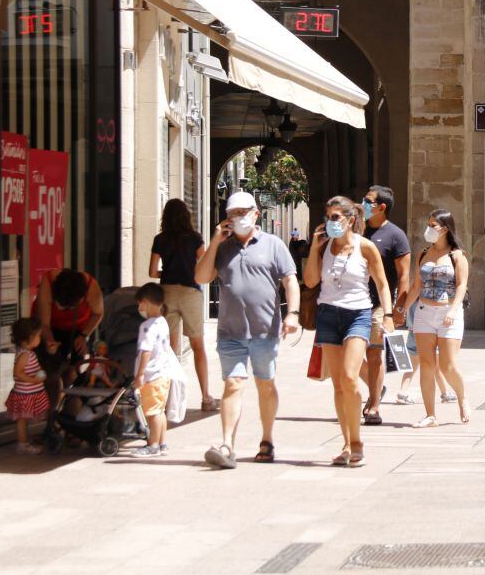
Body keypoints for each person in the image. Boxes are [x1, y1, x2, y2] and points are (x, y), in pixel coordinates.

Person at [194, 191, 300, 469]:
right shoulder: (222, 248)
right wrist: (215, 241)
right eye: (233, 214)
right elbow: (201, 277)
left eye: (243, 213)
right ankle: (227, 444)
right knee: (233, 384)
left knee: (265, 384)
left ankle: (267, 439)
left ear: (255, 214)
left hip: (265, 330)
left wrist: (293, 314)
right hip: (231, 331)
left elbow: (290, 280)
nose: (238, 218)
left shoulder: (273, 245)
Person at [305, 196, 392, 467]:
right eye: (328, 217)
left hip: (358, 314)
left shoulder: (365, 247)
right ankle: (346, 444)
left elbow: (382, 283)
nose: (330, 222)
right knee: (338, 384)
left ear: (350, 219)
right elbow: (310, 281)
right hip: (328, 315)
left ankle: (357, 442)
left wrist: (388, 315)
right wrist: (314, 248)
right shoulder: (324, 246)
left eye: (335, 217)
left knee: (350, 377)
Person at [400, 209, 471, 427]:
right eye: (428, 224)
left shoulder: (457, 255)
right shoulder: (423, 254)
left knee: (448, 366)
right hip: (424, 313)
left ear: (445, 229)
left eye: (433, 225)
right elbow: (416, 286)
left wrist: (453, 310)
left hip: (449, 313)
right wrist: (402, 309)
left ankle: (462, 398)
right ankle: (430, 415)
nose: (428, 229)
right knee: (427, 365)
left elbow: (462, 285)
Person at [148, 198, 215, 411]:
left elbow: (152, 272)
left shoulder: (160, 239)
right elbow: (205, 265)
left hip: (167, 293)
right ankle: (206, 397)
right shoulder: (195, 238)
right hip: (190, 293)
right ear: (186, 216)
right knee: (198, 346)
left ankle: (169, 400)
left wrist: (167, 272)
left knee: (169, 348)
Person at [360, 185, 410, 426]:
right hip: (352, 302)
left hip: (379, 303)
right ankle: (376, 387)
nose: (363, 203)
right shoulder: (356, 229)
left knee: (374, 354)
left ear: (381, 207)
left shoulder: (395, 236)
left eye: (368, 201)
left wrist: (398, 309)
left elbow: (404, 276)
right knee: (342, 352)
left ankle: (374, 406)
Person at [34, 268, 104, 402]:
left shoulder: (91, 287)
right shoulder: (48, 283)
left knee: (72, 372)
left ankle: (69, 406)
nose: (65, 310)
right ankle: (52, 409)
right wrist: (50, 342)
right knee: (51, 374)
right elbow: (44, 324)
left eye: (69, 307)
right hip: (50, 327)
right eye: (61, 306)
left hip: (78, 329)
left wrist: (84, 335)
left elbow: (98, 313)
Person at [132, 283, 173, 457]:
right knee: (160, 410)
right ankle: (162, 443)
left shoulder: (147, 326)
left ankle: (153, 445)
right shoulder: (163, 321)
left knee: (152, 412)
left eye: (139, 303)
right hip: (163, 375)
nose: (139, 307)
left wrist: (140, 374)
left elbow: (146, 351)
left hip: (151, 376)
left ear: (145, 302)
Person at [5, 317, 51, 455]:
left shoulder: (28, 353)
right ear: (28, 338)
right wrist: (34, 380)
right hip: (25, 394)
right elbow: (18, 373)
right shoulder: (25, 354)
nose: (40, 338)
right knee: (22, 419)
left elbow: (31, 370)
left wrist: (40, 375)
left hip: (29, 393)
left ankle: (24, 442)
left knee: (23, 419)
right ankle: (22, 444)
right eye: (38, 336)